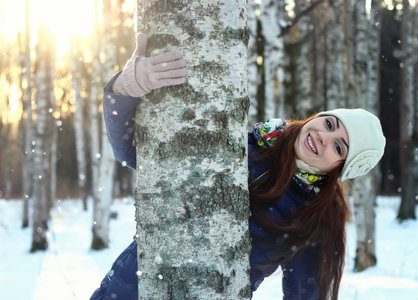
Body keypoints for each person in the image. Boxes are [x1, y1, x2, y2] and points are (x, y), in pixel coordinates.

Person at [90, 33, 386, 300]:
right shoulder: (242, 143)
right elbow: (134, 153)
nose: (323, 136)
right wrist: (125, 89)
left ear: (339, 167)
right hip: (131, 289)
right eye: (330, 123)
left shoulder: (312, 216)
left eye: (338, 146)